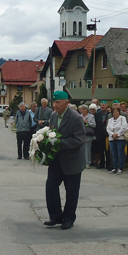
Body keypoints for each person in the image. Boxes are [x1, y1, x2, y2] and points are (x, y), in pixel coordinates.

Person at [43, 91, 86, 230]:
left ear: (66, 103)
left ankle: (68, 218)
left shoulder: (76, 118)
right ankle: (55, 216)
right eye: (54, 102)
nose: (55, 105)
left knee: (71, 191)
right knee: (50, 187)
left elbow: (79, 139)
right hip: (56, 160)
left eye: (58, 102)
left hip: (72, 161)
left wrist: (59, 143)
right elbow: (51, 133)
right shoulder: (53, 115)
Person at [107, 106, 128, 174]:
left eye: (116, 112)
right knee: (114, 154)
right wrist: (112, 134)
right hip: (112, 138)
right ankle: (114, 167)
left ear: (119, 112)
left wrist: (118, 134)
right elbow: (108, 129)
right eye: (114, 112)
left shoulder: (122, 118)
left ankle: (120, 167)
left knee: (120, 153)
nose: (115, 113)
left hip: (120, 138)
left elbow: (124, 127)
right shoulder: (110, 120)